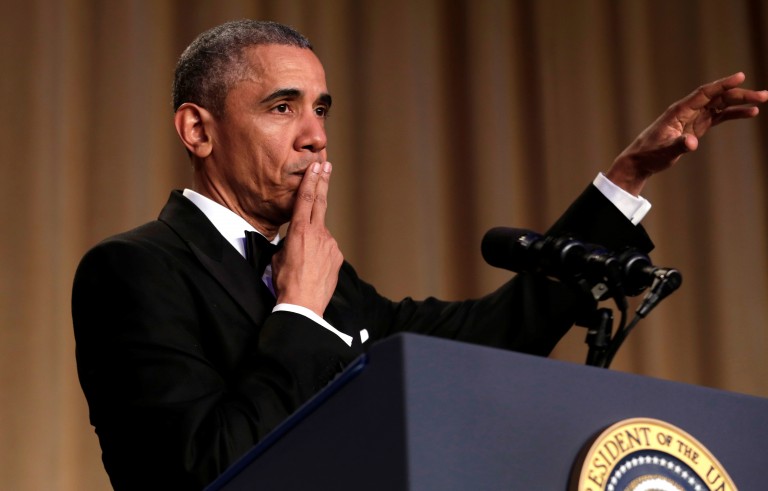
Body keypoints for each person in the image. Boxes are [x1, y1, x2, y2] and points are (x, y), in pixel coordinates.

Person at [71, 19, 767, 490]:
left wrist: (626, 178)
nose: (315, 135)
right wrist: (300, 314)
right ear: (198, 128)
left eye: (322, 109)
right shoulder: (134, 269)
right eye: (282, 108)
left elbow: (498, 335)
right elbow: (199, 471)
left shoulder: (326, 281)